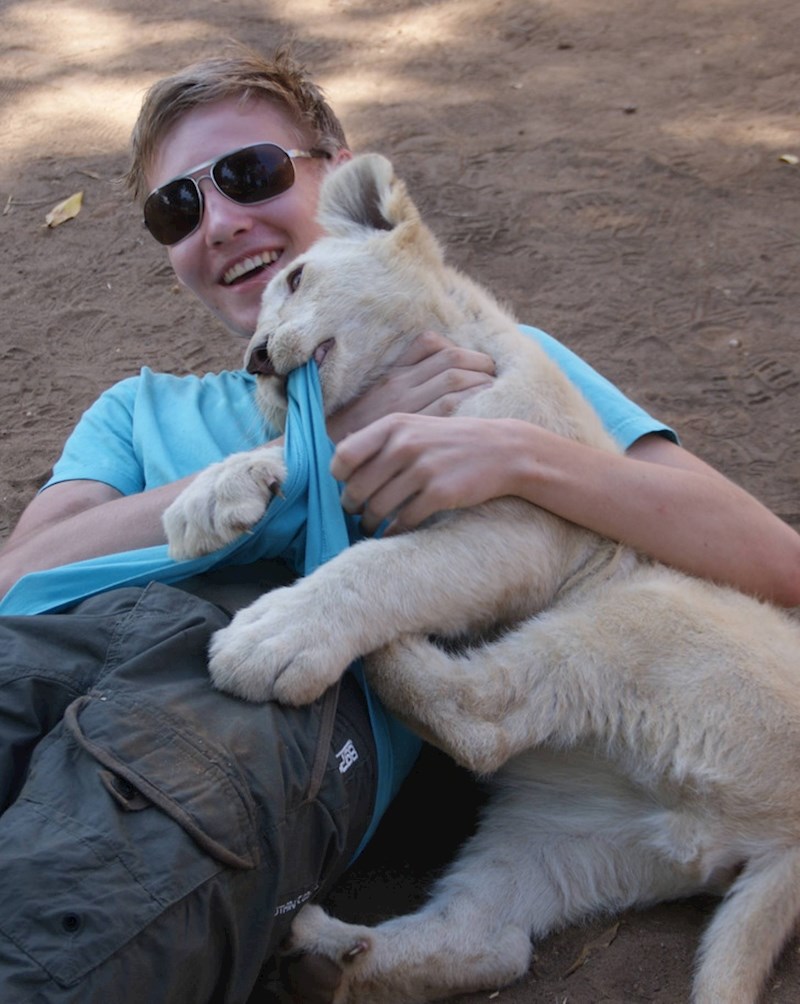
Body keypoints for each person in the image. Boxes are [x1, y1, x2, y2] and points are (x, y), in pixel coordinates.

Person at [0, 44, 797, 1004]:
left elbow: (771, 560)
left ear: (343, 181)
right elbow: (19, 581)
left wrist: (522, 456)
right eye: (177, 209)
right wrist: (314, 450)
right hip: (89, 644)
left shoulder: (487, 353)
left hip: (250, 703)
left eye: (249, 173)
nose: (220, 221)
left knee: (89, 866)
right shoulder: (137, 410)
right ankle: (464, 938)